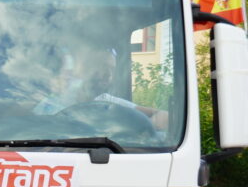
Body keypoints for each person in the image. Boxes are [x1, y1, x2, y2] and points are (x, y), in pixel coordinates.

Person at [34, 47, 168, 131]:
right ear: (83, 70)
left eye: (111, 69)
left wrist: (144, 127)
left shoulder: (108, 102)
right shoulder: (54, 103)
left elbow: (163, 114)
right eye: (101, 67)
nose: (108, 75)